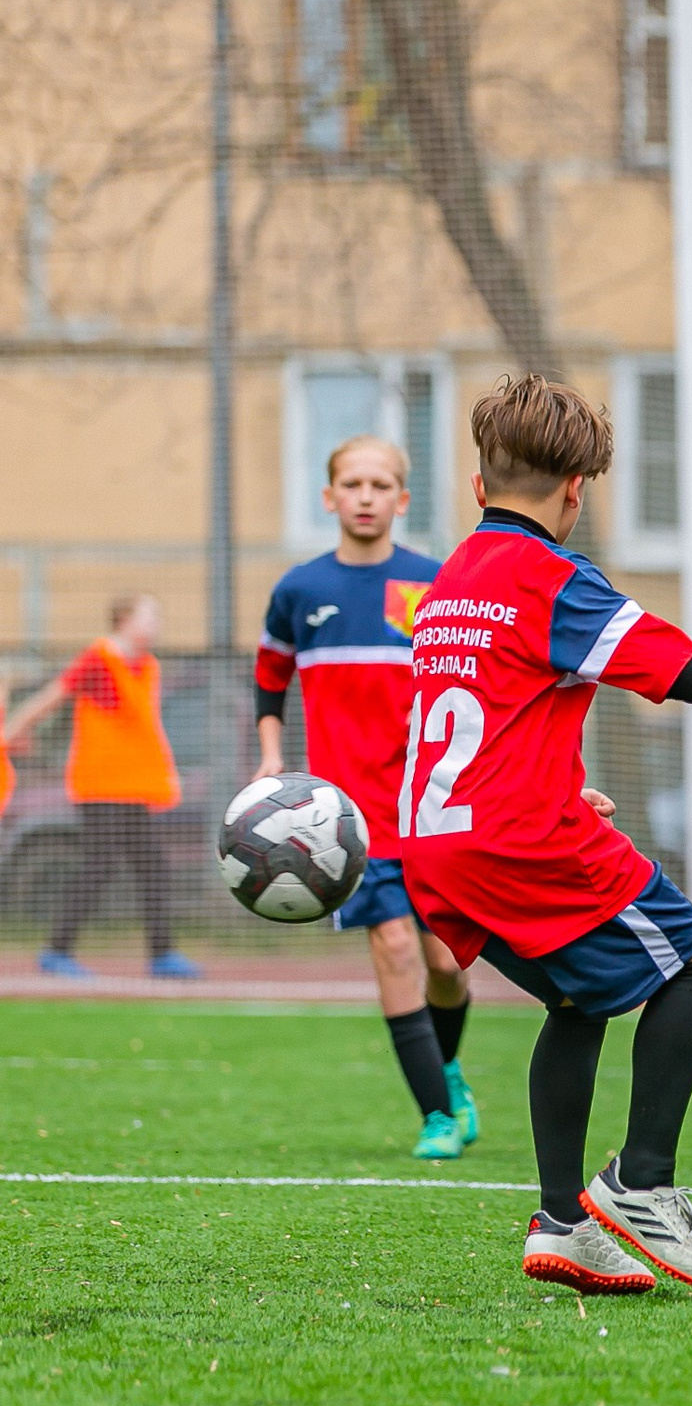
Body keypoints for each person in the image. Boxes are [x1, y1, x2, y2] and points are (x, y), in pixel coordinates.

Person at [399, 376, 692, 1296]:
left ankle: (562, 1223)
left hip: (436, 842)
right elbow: (687, 672)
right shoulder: (552, 578)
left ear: (478, 485)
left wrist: (553, 779)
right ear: (576, 491)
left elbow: (480, 709)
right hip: (517, 840)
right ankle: (641, 1182)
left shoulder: (448, 581)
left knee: (578, 998)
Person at [255, 435, 478, 1160]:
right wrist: (271, 757)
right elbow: (269, 680)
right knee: (394, 947)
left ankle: (448, 1074)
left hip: (429, 809)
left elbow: (467, 685)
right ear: (329, 497)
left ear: (401, 499)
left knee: (446, 964)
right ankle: (438, 1115)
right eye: (351, 483)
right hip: (346, 820)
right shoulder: (299, 590)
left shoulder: (433, 583)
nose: (365, 495)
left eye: (380, 484)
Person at [4, 595, 199, 980]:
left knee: (152, 867)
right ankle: (56, 951)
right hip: (101, 786)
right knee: (99, 867)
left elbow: (142, 728)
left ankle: (162, 954)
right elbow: (51, 698)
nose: (157, 624)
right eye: (149, 616)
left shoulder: (146, 666)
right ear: (124, 620)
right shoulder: (99, 659)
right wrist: (10, 733)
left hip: (133, 787)